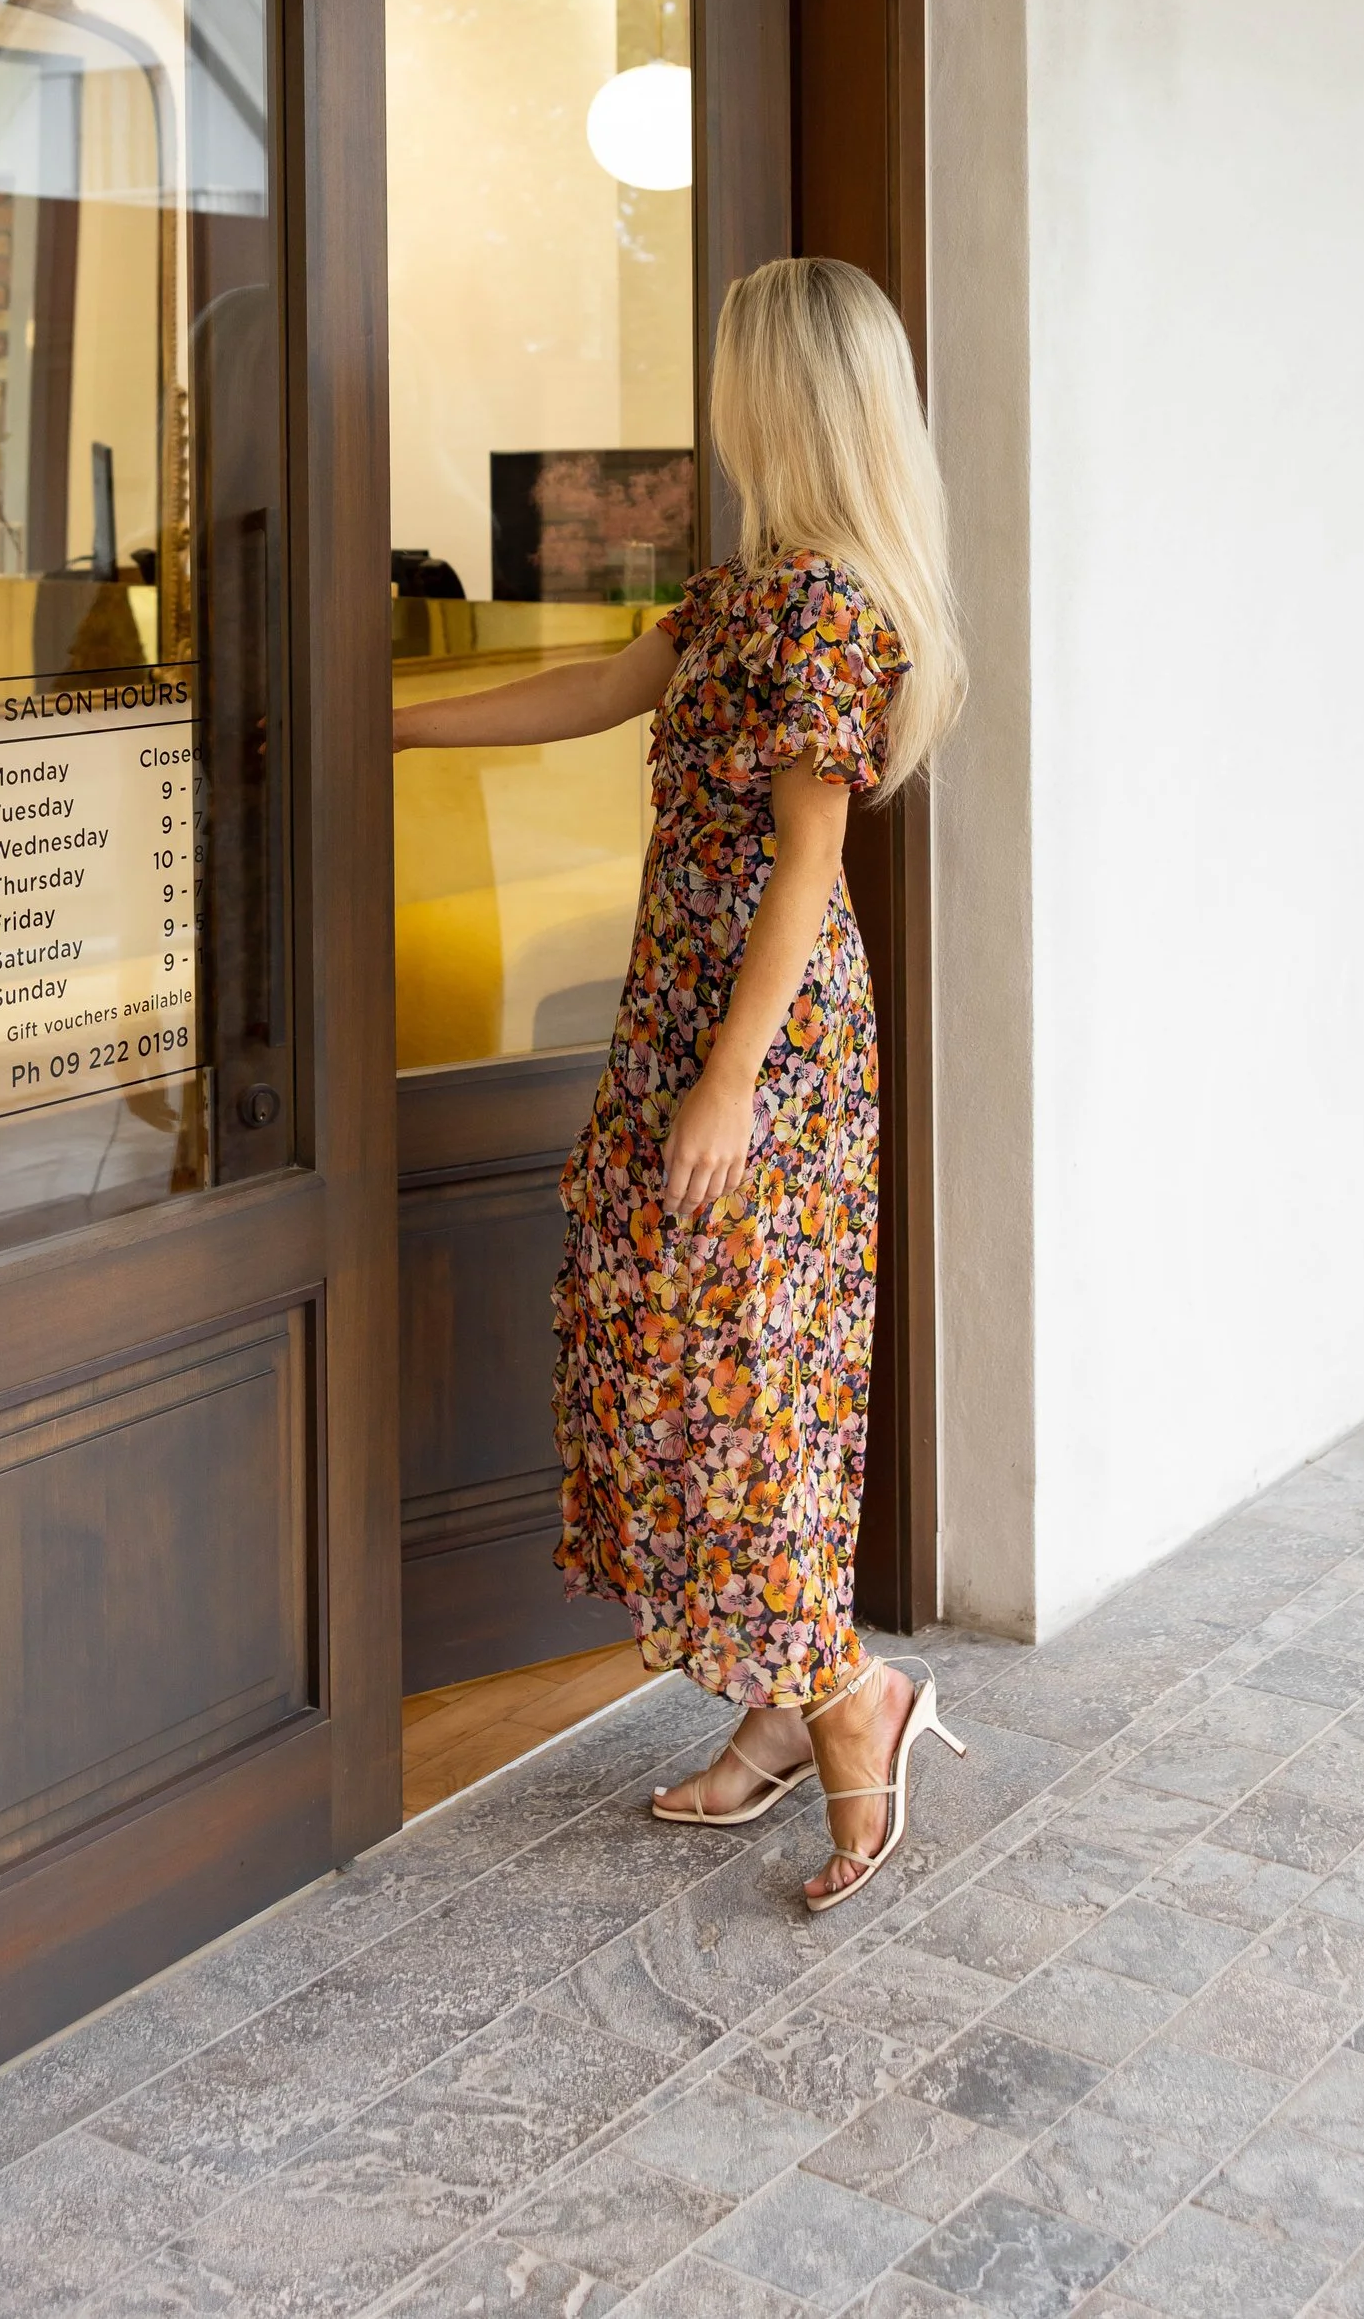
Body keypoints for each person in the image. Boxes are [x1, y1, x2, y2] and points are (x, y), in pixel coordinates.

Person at [392, 256, 967, 1908]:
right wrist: (401, 725)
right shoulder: (743, 594)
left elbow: (808, 867)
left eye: (733, 374)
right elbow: (592, 690)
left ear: (778, 396)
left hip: (764, 1054)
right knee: (687, 1363)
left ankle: (855, 1697)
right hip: (687, 1028)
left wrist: (726, 1083)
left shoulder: (834, 611)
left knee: (745, 1386)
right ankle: (791, 1703)